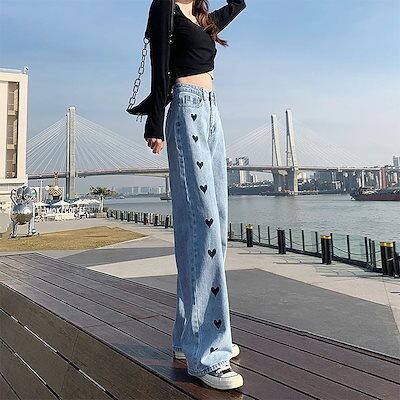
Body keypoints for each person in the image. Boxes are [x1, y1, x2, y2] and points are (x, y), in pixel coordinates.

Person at [137, 0, 246, 390]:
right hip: (186, 110)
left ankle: (190, 337)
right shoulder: (165, 7)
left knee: (216, 225)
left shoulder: (201, 20)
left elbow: (234, 7)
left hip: (213, 113)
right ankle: (208, 353)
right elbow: (159, 63)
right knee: (203, 227)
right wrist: (154, 123)